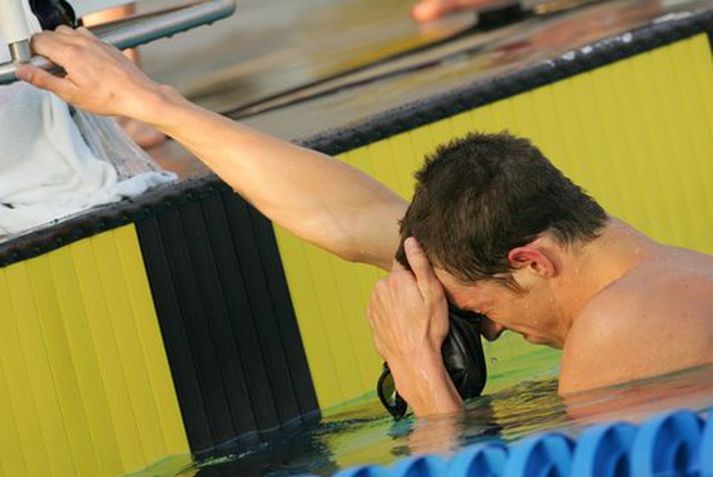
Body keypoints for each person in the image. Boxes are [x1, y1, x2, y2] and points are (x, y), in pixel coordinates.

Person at [16, 27, 713, 417]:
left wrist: (425, 385)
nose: (492, 332)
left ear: (531, 261)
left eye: (481, 309)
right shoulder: (659, 279)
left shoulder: (623, 332)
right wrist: (156, 104)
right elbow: (353, 218)